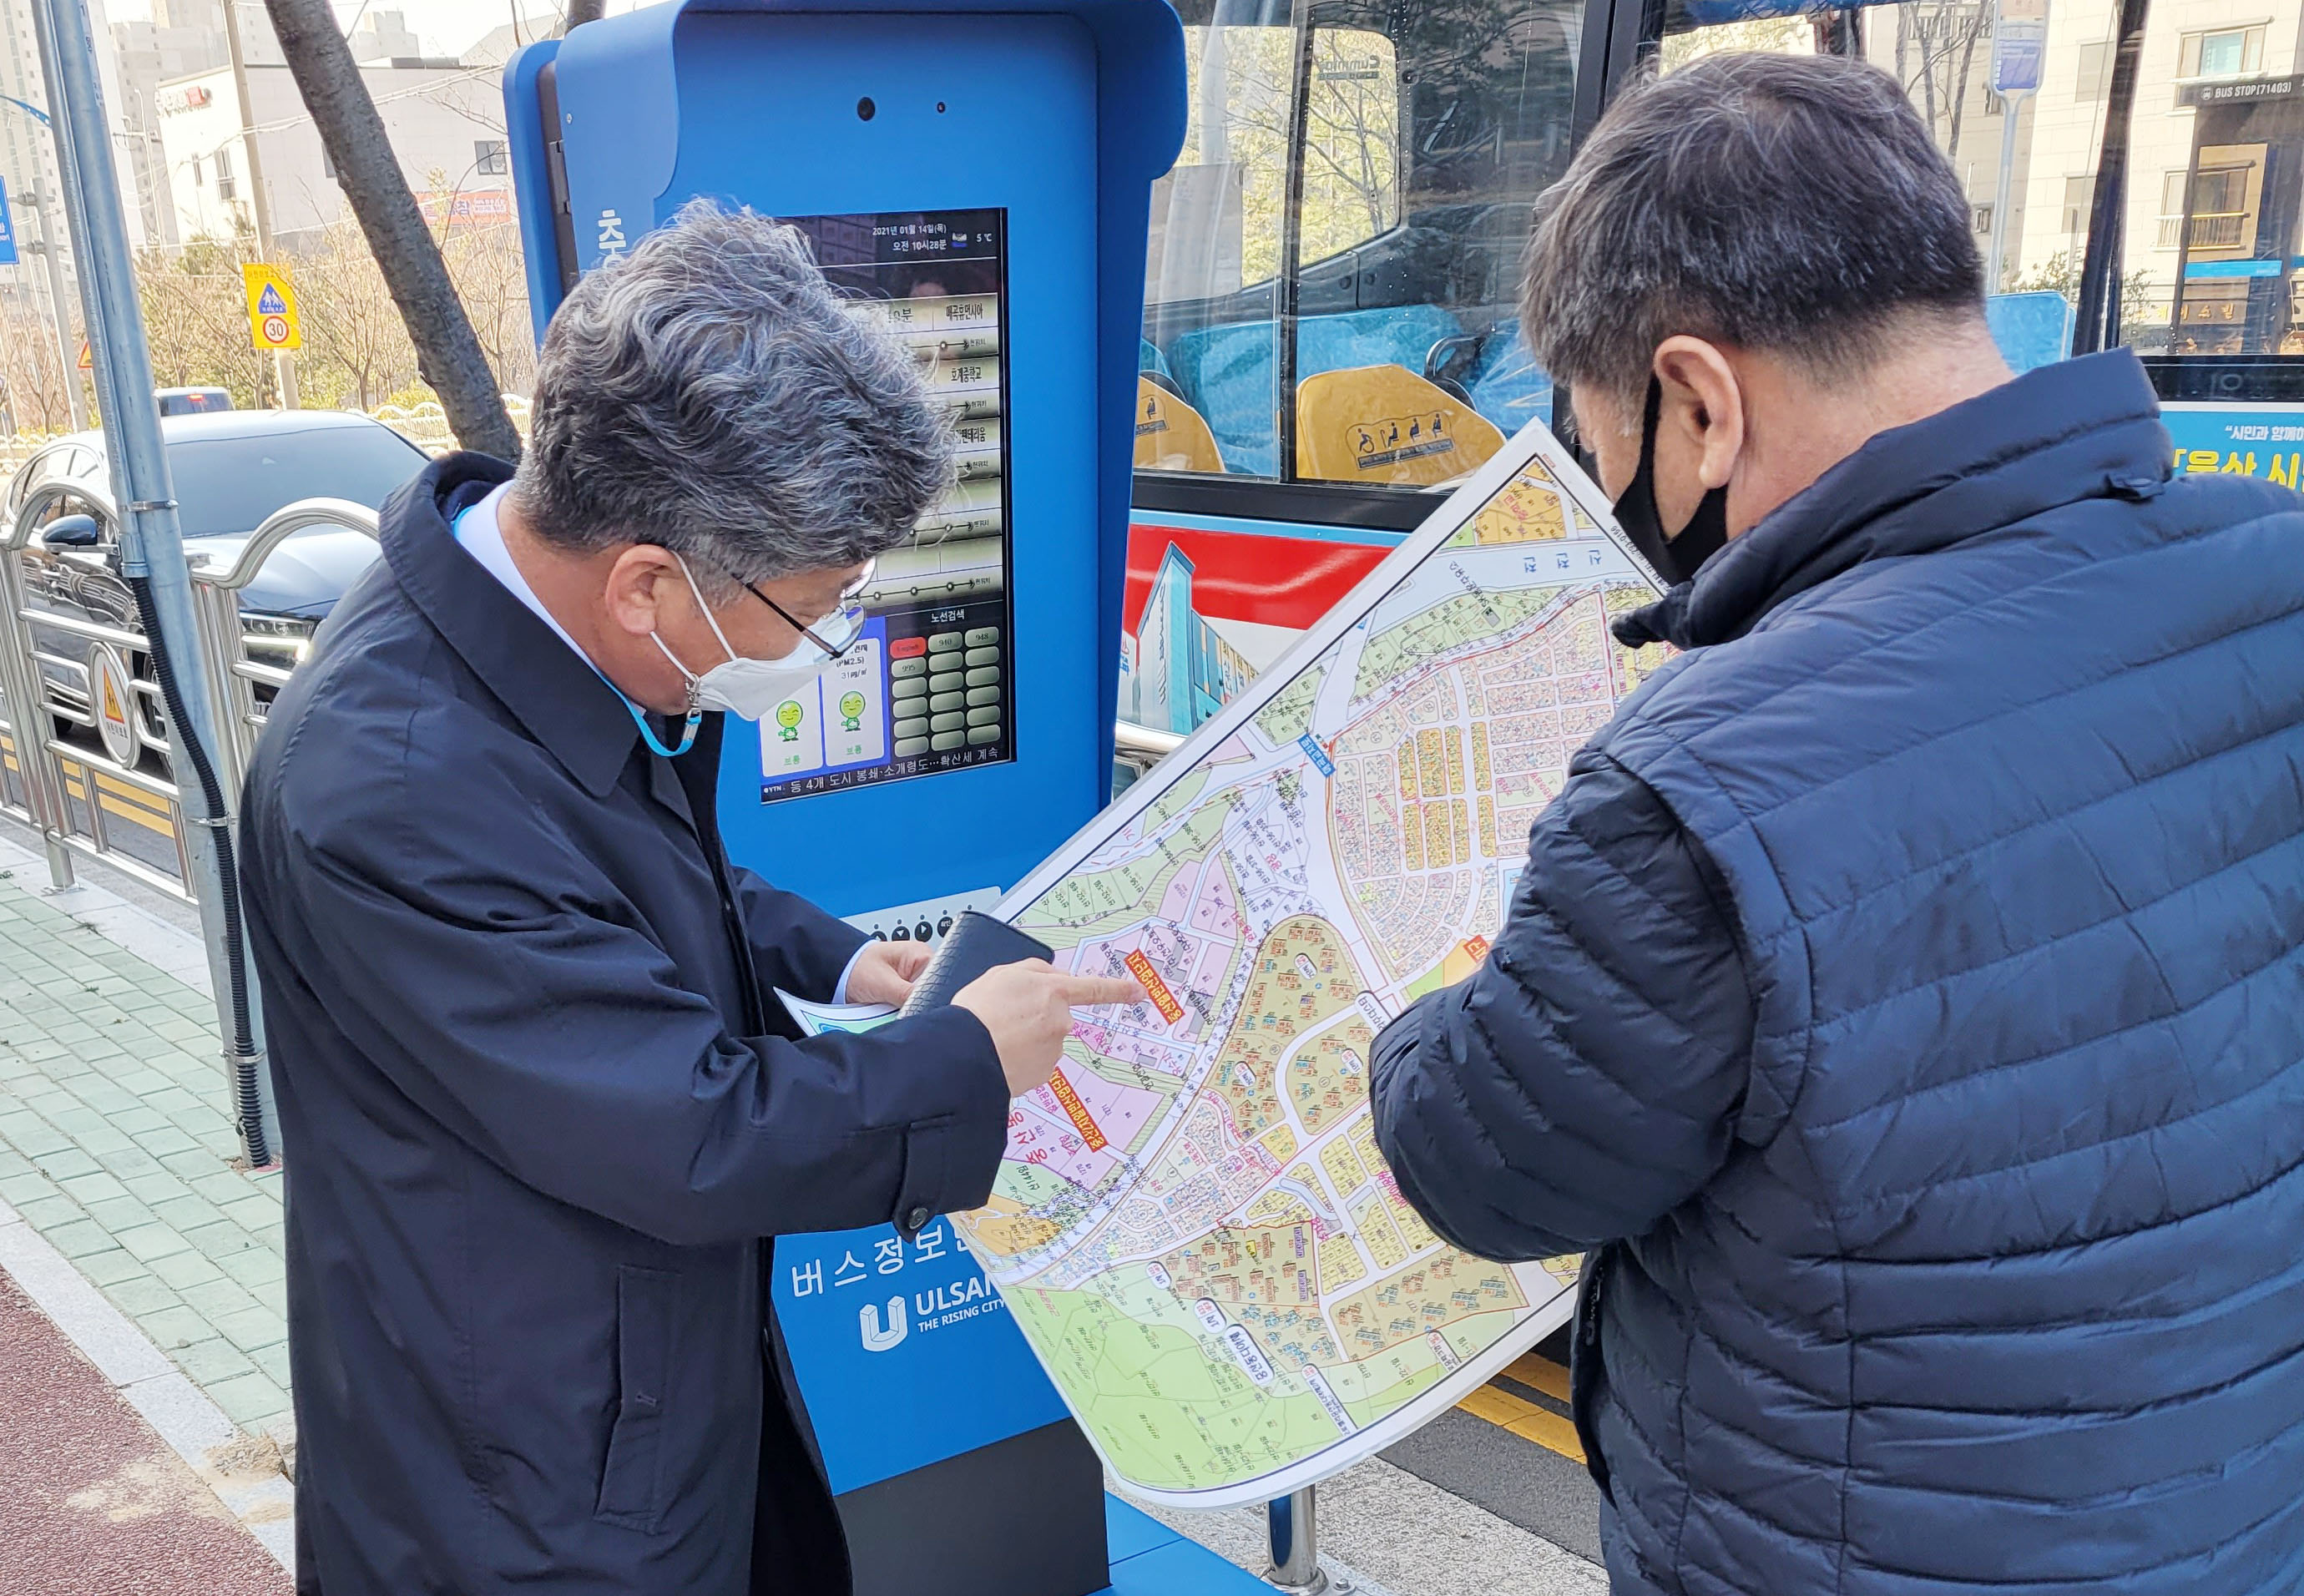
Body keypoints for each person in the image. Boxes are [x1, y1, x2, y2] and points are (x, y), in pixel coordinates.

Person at [1370, 53, 2304, 1596]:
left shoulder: (1706, 774)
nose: (1624, 503)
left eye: (1610, 452)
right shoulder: (2271, 568)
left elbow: (1494, 1163)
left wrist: (1419, 1013)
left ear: (1699, 401)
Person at [238, 201, 1139, 1595]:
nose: (826, 645)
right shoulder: (395, 781)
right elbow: (688, 1132)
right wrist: (966, 1060)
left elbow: (632, 878)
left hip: (623, 1381)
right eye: (812, 608)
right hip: (525, 1485)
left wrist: (847, 969)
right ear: (650, 584)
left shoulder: (534, 635)